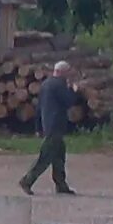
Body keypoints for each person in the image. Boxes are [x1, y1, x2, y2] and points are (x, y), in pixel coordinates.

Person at [20, 57, 78, 195]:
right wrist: (73, 90)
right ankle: (27, 181)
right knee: (45, 157)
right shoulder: (59, 85)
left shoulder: (46, 84)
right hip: (56, 125)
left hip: (48, 124)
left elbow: (39, 108)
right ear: (63, 72)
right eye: (68, 73)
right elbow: (69, 101)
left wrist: (38, 127)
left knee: (59, 157)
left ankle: (61, 184)